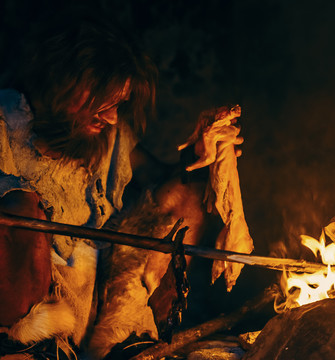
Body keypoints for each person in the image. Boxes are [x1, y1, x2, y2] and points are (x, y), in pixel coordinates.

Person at [0, 14, 249, 358]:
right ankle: (24, 346)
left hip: (94, 299)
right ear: (66, 83)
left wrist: (199, 153)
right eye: (104, 103)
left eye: (118, 104)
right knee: (19, 207)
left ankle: (124, 337)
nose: (113, 117)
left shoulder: (108, 138)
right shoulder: (7, 121)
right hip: (27, 307)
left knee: (186, 197)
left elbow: (164, 185)